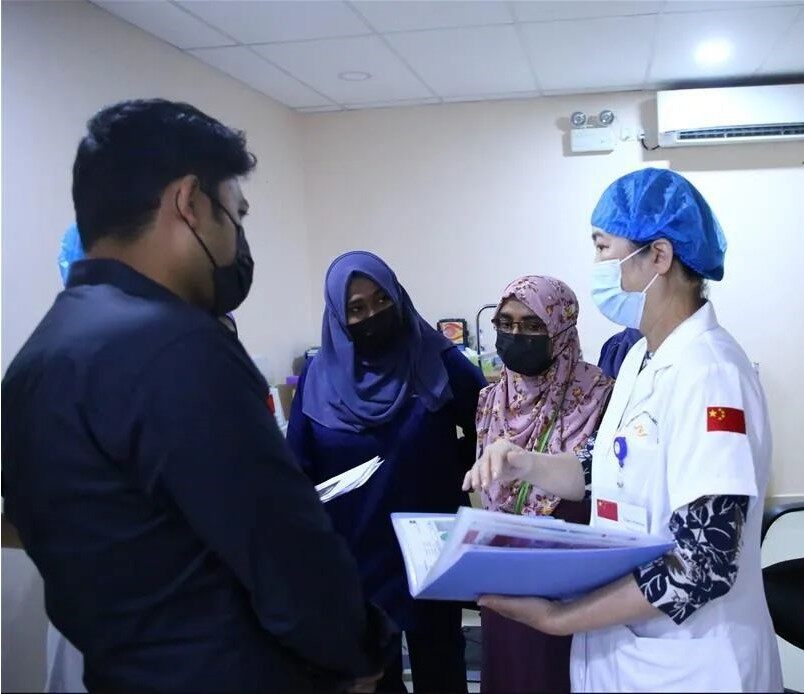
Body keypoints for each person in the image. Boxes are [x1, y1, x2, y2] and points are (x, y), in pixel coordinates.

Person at [2, 99, 395, 693]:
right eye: (235, 215)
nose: (237, 240)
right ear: (189, 202)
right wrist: (360, 652)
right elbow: (283, 548)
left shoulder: (34, 360)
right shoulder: (177, 346)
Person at [464, 168, 783, 692]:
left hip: (691, 665)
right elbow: (601, 465)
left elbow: (703, 561)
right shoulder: (640, 358)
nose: (597, 267)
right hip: (626, 656)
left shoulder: (711, 374)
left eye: (602, 247)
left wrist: (559, 618)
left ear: (658, 256)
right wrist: (525, 462)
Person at [287, 250, 486, 693]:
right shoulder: (318, 376)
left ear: (397, 295)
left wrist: (452, 468)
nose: (373, 315)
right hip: (356, 555)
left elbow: (491, 424)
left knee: (442, 670)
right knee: (375, 676)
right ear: (339, 317)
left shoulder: (434, 356)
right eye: (356, 308)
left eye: (381, 299)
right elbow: (297, 469)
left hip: (430, 549)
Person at [476, 275, 612, 693]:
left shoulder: (600, 395)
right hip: (503, 573)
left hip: (569, 581)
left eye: (533, 325)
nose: (517, 335)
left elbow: (600, 480)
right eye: (506, 323)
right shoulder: (489, 400)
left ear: (560, 328)